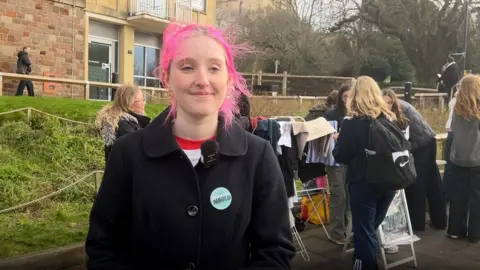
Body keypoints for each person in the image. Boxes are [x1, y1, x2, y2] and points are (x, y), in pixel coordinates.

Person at [85, 23, 295, 270]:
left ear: (229, 80)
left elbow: (275, 251)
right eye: (187, 67)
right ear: (166, 78)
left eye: (214, 68)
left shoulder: (258, 156)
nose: (202, 80)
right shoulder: (127, 154)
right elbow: (103, 249)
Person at [333, 76, 397, 269]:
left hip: (364, 183)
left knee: (364, 232)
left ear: (354, 96)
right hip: (389, 182)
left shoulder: (353, 123)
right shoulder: (390, 119)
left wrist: (339, 141)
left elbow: (340, 156)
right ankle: (361, 261)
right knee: (370, 229)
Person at [399, 99, 447, 231]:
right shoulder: (401, 103)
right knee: (433, 181)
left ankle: (416, 223)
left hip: (421, 143)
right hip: (429, 139)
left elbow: (403, 135)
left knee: (417, 183)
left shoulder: (395, 107)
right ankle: (440, 220)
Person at [447, 74, 480, 243]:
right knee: (477, 198)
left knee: (458, 196)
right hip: (477, 158)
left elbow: (452, 129)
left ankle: (455, 230)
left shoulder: (457, 108)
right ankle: (475, 233)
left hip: (458, 158)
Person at [322, 84, 352, 245]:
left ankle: (348, 229)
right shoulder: (331, 114)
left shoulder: (357, 114)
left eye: (350, 96)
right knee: (338, 194)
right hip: (335, 160)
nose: (347, 100)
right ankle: (336, 231)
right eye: (344, 97)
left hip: (352, 159)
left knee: (350, 195)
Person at [95, 85, 150, 163]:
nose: (144, 103)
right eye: (141, 100)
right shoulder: (123, 127)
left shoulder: (123, 123)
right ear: (130, 105)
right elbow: (139, 155)